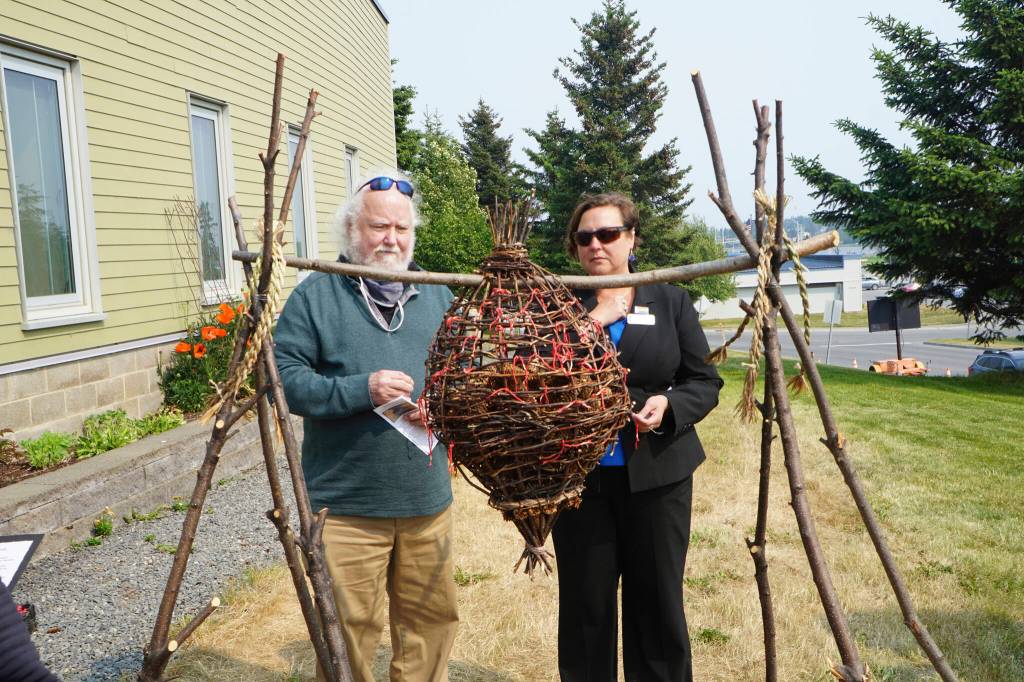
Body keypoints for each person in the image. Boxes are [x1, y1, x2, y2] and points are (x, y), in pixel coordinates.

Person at [274, 171, 458, 682]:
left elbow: (464, 376)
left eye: (401, 228)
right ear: (352, 231)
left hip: (426, 502)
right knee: (348, 634)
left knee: (430, 625)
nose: (391, 240)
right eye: (379, 227)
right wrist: (361, 389)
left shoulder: (439, 295)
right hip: (348, 507)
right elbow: (283, 382)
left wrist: (447, 407)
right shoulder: (316, 296)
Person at [552, 192, 723, 682]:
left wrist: (670, 406)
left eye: (608, 234)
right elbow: (538, 375)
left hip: (659, 477)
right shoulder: (560, 306)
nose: (595, 245)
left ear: (632, 239)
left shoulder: (669, 299)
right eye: (584, 237)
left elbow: (704, 383)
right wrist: (593, 321)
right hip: (580, 484)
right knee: (586, 611)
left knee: (658, 606)